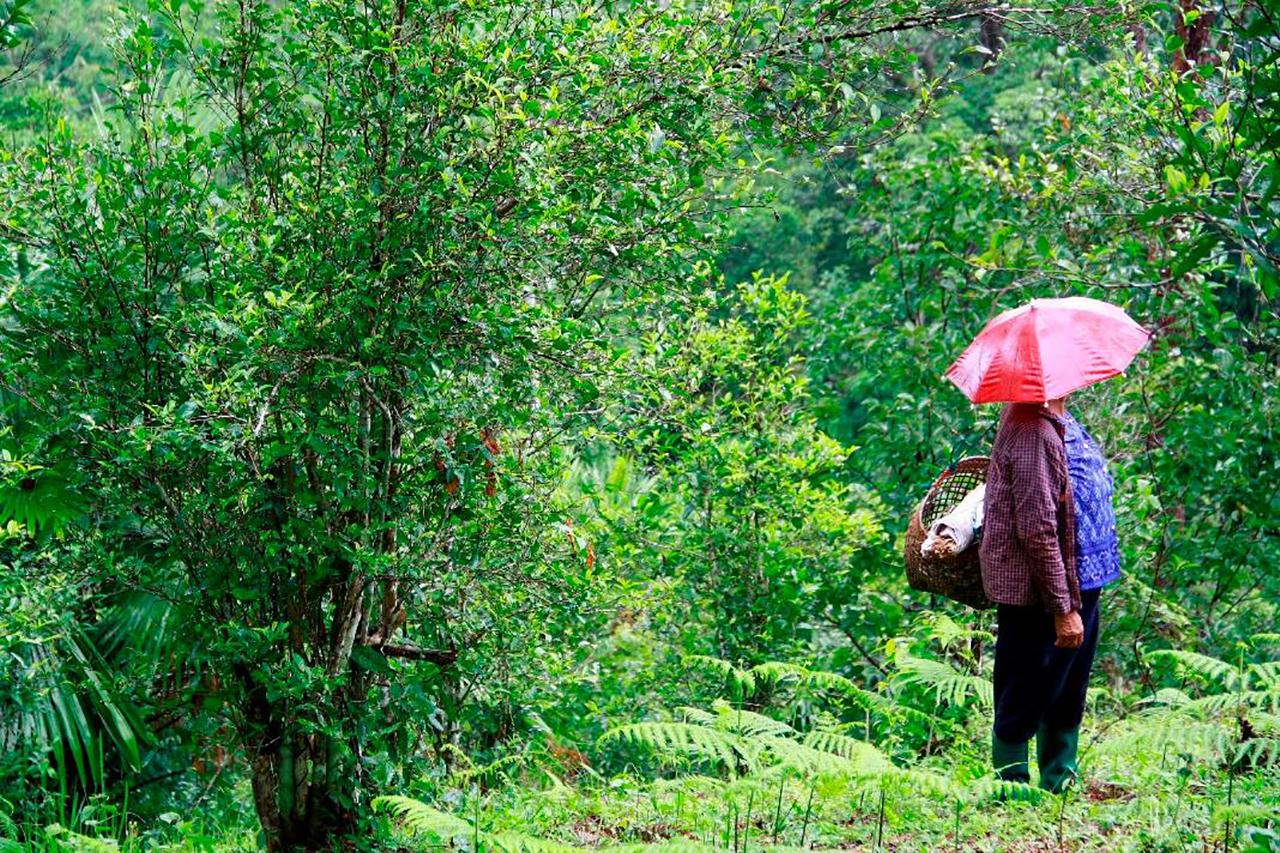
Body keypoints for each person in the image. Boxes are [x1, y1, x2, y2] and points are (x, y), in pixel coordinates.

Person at [979, 395, 1122, 792]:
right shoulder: (1031, 430)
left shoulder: (1057, 415)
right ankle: (1011, 787)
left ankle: (1060, 782)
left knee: (1068, 686)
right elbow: (1037, 529)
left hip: (1082, 577)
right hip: (1041, 589)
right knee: (1027, 687)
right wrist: (1062, 607)